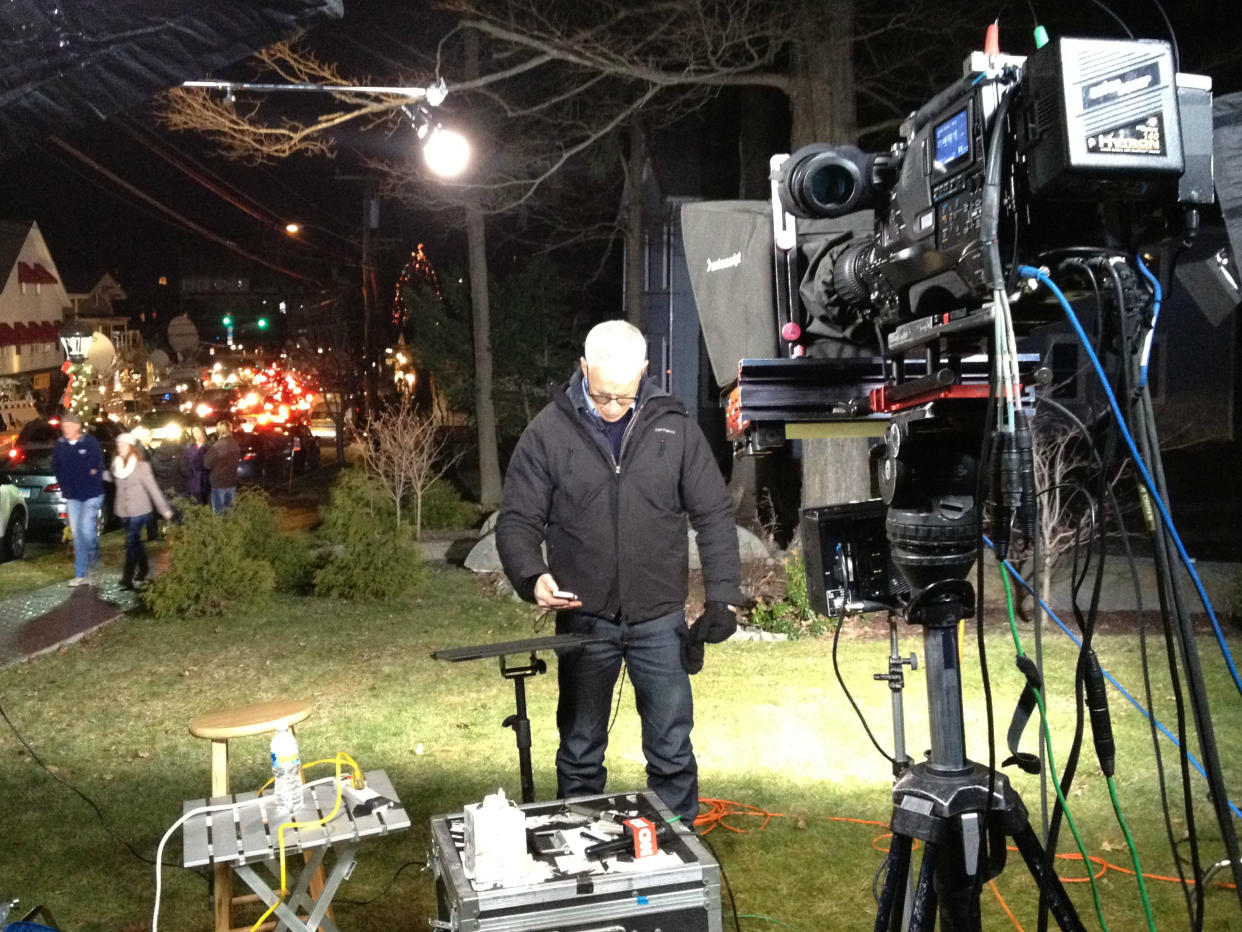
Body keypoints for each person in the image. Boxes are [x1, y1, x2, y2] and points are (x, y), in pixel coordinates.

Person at [496, 320, 742, 826]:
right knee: (581, 748)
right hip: (585, 619)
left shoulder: (674, 426)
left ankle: (677, 848)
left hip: (659, 619)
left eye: (623, 397)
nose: (611, 407)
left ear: (645, 373)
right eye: (602, 394)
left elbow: (714, 513)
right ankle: (578, 848)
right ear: (583, 369)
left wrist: (723, 595)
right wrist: (532, 575)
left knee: (672, 745)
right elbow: (518, 518)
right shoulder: (549, 431)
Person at [111, 433, 173, 589]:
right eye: (119, 445)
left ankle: (128, 577)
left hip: (139, 510)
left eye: (124, 445)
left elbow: (153, 489)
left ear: (131, 447)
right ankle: (144, 568)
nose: (121, 448)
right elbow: (111, 478)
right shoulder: (116, 465)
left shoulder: (141, 467)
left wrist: (164, 509)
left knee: (131, 543)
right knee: (136, 543)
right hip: (123, 511)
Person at [51, 410, 105, 587]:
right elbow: (57, 467)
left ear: (77, 426)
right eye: (63, 426)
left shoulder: (90, 443)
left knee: (87, 529)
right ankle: (80, 573)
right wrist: (64, 485)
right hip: (73, 496)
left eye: (68, 426)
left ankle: (95, 563)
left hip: (92, 494)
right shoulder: (60, 445)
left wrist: (92, 476)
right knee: (77, 534)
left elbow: (98, 466)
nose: (65, 429)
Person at [202, 420, 240, 512]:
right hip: (231, 482)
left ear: (219, 431)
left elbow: (206, 464)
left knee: (218, 513)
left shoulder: (217, 446)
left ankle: (220, 526)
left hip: (219, 483)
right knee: (229, 512)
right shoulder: (235, 444)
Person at [181, 424, 209, 505]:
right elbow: (184, 462)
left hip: (204, 481)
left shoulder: (208, 446)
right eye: (193, 432)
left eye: (197, 431)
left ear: (202, 431)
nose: (195, 434)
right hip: (192, 481)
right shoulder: (188, 447)